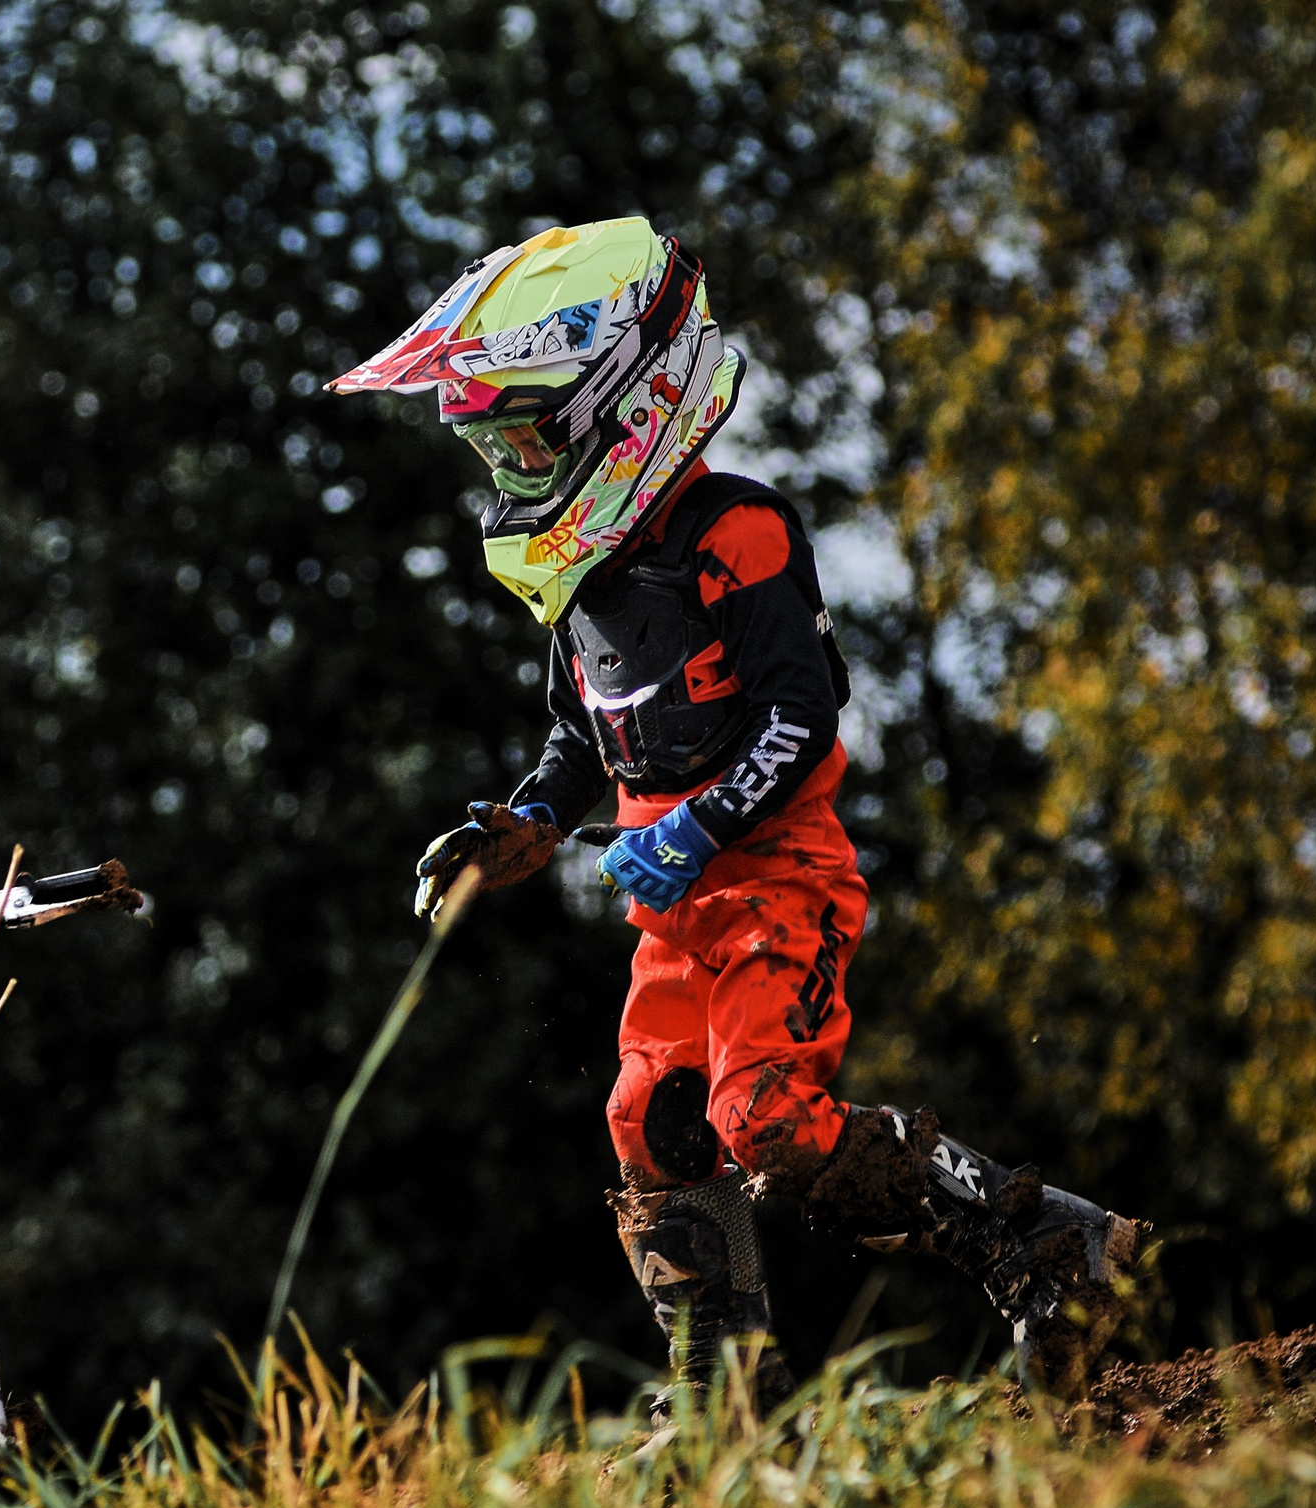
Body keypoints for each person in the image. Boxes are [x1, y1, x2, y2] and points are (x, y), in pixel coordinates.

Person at [327, 217, 1143, 1407]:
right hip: (675, 906)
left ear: (622, 403)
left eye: (522, 436)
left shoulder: (736, 532)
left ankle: (1041, 1237)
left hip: (776, 872)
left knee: (766, 1117)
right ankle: (719, 1395)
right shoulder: (582, 584)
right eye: (490, 445)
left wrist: (699, 829)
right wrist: (523, 826)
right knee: (647, 1123)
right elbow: (577, 739)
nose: (506, 467)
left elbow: (801, 717)